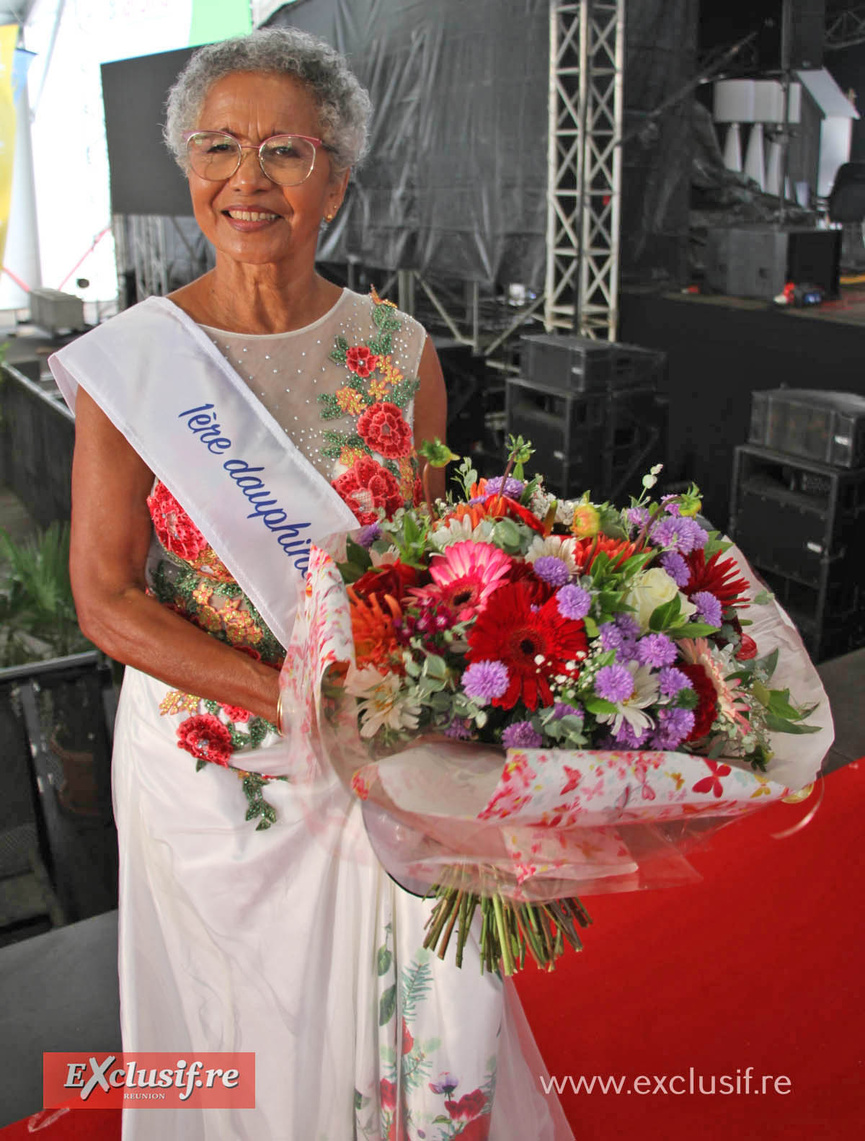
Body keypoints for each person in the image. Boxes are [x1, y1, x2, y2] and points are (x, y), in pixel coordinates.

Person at [50, 27, 572, 1140]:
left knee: (379, 1028)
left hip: (369, 758)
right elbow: (106, 598)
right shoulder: (135, 362)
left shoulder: (400, 349)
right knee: (235, 1025)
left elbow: (431, 571)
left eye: (284, 150)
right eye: (218, 146)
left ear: (336, 180)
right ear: (187, 168)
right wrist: (302, 704)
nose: (247, 179)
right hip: (211, 766)